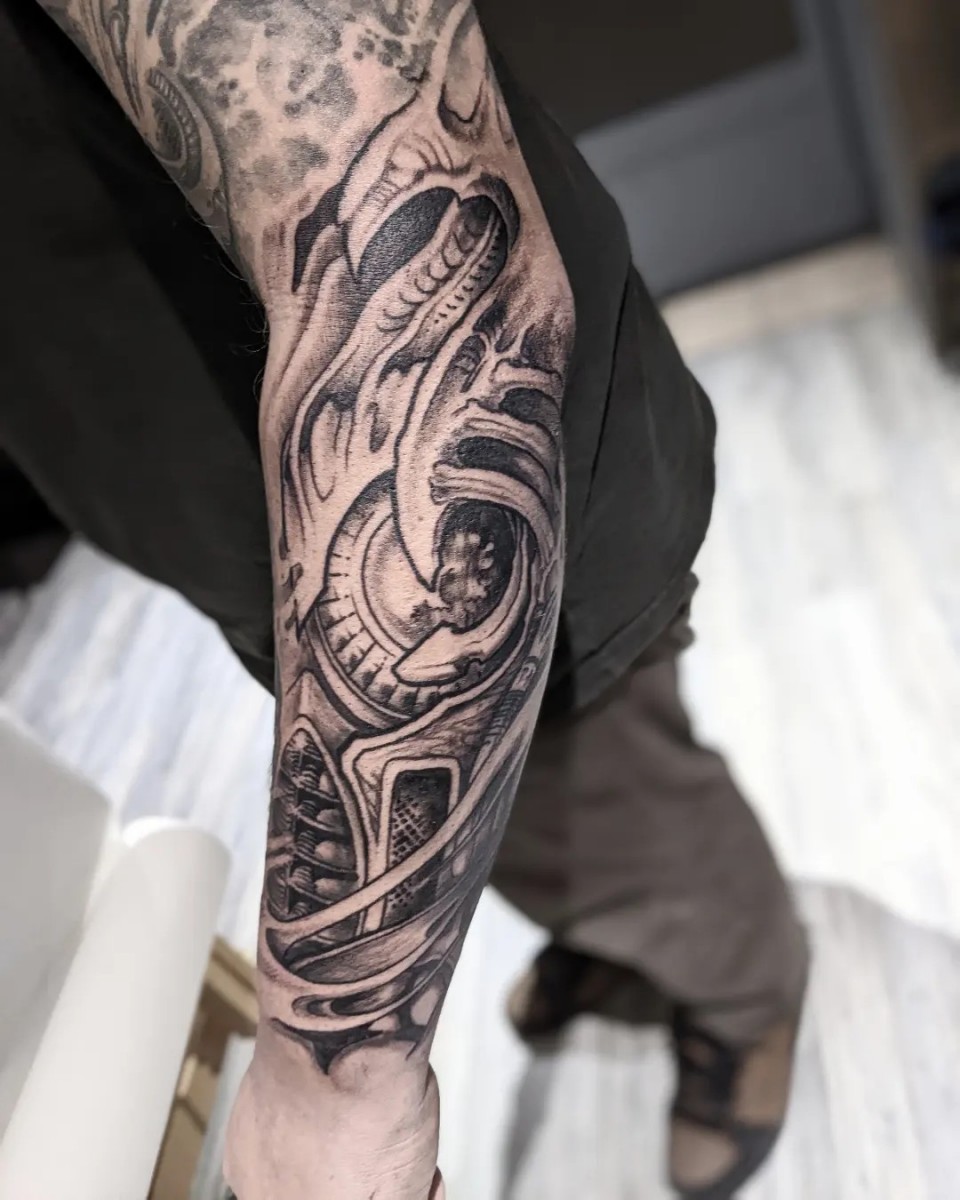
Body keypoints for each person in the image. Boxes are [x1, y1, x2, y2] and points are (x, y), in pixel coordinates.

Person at [0, 1, 810, 1197]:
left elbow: (430, 290)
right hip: (254, 505)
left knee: (619, 812)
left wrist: (335, 1088)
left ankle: (750, 991)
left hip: (495, 531)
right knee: (535, 841)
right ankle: (613, 930)